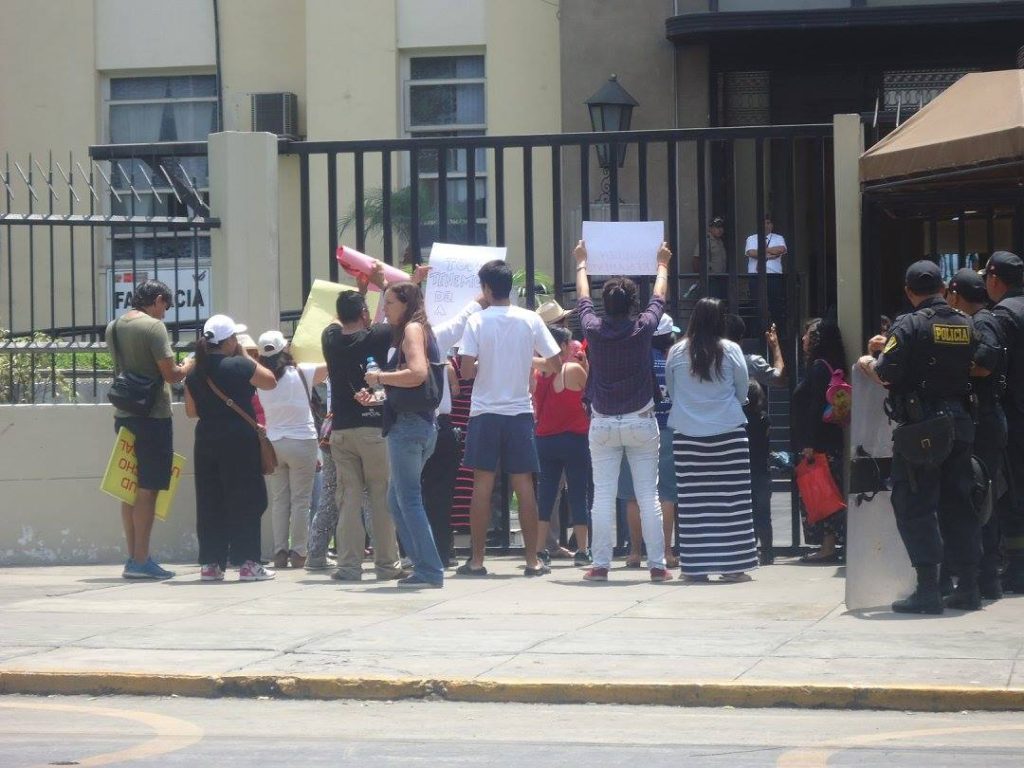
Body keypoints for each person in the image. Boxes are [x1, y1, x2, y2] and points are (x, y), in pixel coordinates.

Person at [857, 260, 978, 614]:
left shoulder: (908, 324)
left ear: (909, 291)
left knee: (914, 504)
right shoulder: (966, 323)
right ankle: (968, 587)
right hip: (961, 421)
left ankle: (928, 590)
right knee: (959, 503)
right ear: (942, 288)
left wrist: (868, 363)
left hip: (923, 428)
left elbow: (888, 374)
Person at [574, 239, 673, 583]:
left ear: (606, 303)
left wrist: (581, 262)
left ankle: (600, 564)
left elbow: (582, 297)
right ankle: (657, 565)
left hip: (603, 422)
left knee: (602, 495)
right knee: (648, 495)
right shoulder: (643, 328)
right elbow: (659, 297)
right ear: (632, 304)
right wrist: (662, 263)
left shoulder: (593, 329)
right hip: (641, 420)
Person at [456, 259, 561, 577]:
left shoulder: (477, 320)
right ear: (509, 288)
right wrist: (527, 362)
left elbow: (465, 370)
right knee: (524, 485)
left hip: (485, 412)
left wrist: (485, 363)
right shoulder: (530, 319)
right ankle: (532, 560)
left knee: (482, 485)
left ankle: (477, 560)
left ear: (486, 289)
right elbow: (555, 362)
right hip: (519, 412)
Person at [358, 281, 446, 588]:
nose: (385, 309)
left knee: (407, 499)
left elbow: (417, 374)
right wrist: (378, 397)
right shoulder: (418, 330)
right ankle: (423, 566)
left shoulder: (412, 329)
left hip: (409, 426)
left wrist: (379, 377)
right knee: (397, 501)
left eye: (390, 303)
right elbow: (412, 385)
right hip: (417, 423)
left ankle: (430, 570)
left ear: (406, 304)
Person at [105, 280, 193, 580]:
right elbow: (172, 375)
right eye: (164, 306)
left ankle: (133, 556)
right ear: (156, 299)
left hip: (124, 414)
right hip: (153, 416)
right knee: (148, 488)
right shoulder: (154, 328)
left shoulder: (114, 326)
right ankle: (142, 560)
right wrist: (189, 364)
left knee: (129, 488)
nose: (164, 313)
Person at [666, 297, 757, 583]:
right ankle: (733, 566)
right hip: (728, 434)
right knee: (732, 502)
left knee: (694, 504)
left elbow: (672, 392)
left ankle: (695, 567)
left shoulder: (676, 351)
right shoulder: (731, 350)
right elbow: (742, 391)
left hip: (687, 436)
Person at [184, 314, 278, 582]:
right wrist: (244, 355)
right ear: (230, 340)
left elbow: (191, 412)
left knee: (210, 500)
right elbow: (270, 381)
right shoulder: (240, 365)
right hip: (239, 440)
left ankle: (211, 564)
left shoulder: (195, 371)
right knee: (247, 499)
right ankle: (248, 563)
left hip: (206, 440)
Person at [321, 290, 403, 582]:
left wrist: (355, 297)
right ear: (363, 313)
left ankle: (348, 566)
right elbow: (389, 323)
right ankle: (386, 565)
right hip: (373, 427)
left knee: (348, 499)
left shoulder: (330, 339)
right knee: (380, 497)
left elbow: (335, 323)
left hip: (342, 430)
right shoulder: (378, 336)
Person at [946, 268, 1007, 600]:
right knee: (982, 497)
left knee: (978, 497)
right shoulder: (981, 320)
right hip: (984, 419)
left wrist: (948, 362)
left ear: (956, 296)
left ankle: (984, 577)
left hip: (983, 420)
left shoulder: (981, 322)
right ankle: (986, 578)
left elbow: (982, 365)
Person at [256, 330, 327, 570]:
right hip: (302, 441)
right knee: (301, 501)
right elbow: (329, 367)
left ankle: (279, 552)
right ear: (284, 349)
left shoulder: (260, 379)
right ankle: (298, 552)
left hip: (274, 443)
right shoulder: (301, 372)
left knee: (279, 500)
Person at [620, 313, 679, 570]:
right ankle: (666, 551)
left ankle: (635, 552)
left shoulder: (634, 359)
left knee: (633, 495)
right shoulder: (673, 361)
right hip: (666, 428)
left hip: (636, 425)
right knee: (665, 494)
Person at [533, 326, 591, 565]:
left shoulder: (539, 373)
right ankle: (583, 550)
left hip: (545, 438)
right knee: (578, 493)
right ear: (564, 346)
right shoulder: (573, 369)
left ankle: (539, 549)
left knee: (546, 495)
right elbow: (590, 393)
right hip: (574, 438)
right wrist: (586, 366)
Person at [984, 251, 1024, 594]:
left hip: (1014, 415)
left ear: (994, 279)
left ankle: (1018, 568)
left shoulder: (1002, 316)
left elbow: (989, 366)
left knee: (1012, 491)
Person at [792, 317, 847, 564]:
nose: (804, 338)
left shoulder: (818, 368)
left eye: (809, 334)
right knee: (828, 490)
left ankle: (828, 546)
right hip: (830, 439)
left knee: (823, 493)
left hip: (820, 442)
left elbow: (814, 407)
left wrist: (809, 443)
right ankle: (829, 544)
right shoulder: (830, 365)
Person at [745, 380, 774, 564]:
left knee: (747, 513)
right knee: (764, 514)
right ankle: (768, 552)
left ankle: (749, 550)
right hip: (762, 470)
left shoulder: (740, 421)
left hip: (745, 470)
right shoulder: (765, 419)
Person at [724, 314, 785, 390]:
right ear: (741, 339)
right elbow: (779, 379)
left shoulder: (709, 363)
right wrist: (775, 346)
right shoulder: (751, 363)